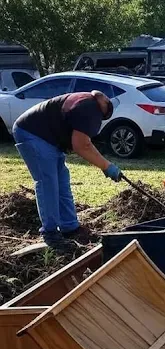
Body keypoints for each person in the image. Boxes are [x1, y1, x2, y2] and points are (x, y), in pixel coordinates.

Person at [12, 90, 123, 248]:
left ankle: (70, 227)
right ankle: (50, 233)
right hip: (32, 134)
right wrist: (107, 167)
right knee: (47, 182)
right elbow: (82, 145)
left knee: (62, 181)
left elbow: (81, 141)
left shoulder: (87, 102)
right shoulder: (90, 109)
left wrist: (107, 166)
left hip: (50, 139)